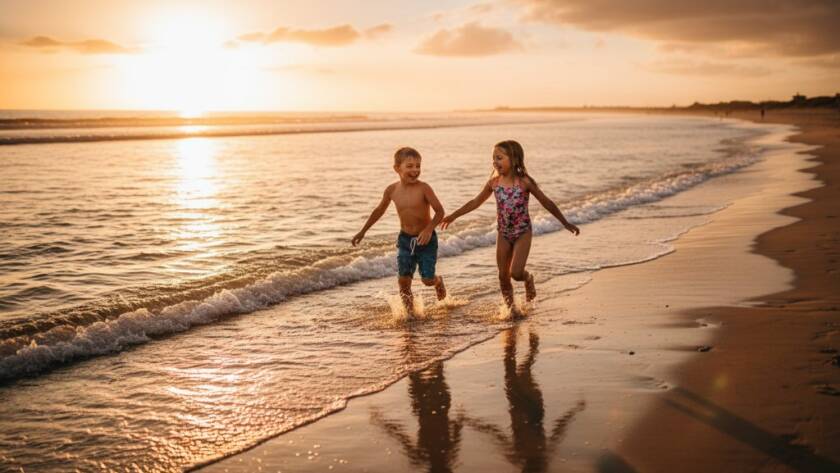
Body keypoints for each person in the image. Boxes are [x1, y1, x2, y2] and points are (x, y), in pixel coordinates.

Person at [440, 140, 579, 315]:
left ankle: (528, 279)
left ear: (513, 159)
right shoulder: (494, 183)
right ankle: (511, 310)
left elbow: (546, 202)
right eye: (493, 158)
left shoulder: (524, 182)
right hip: (503, 233)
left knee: (516, 272)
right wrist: (454, 216)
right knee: (502, 276)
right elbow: (475, 202)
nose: (495, 162)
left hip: (522, 232)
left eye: (499, 158)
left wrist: (565, 222)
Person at [352, 147, 447, 315]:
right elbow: (379, 211)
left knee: (426, 280)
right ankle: (410, 316)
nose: (415, 170)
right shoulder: (391, 190)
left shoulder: (424, 188)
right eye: (410, 166)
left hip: (426, 240)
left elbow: (439, 211)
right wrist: (363, 231)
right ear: (397, 168)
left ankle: (438, 281)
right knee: (403, 281)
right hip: (404, 240)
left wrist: (428, 229)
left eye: (418, 166)